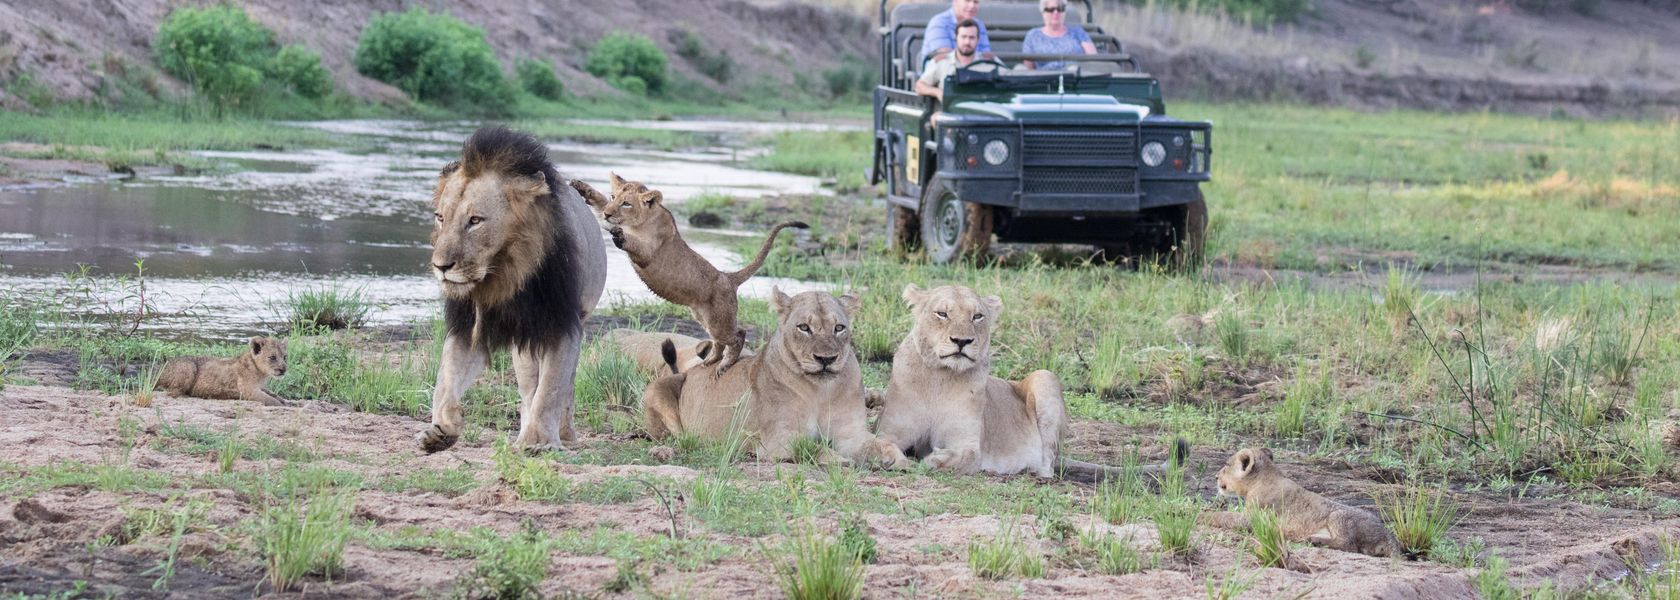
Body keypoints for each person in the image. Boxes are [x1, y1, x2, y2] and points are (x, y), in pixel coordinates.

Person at [915, 19, 980, 102]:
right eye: (963, 37)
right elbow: (919, 86)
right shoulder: (942, 61)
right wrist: (938, 92)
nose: (967, 42)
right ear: (956, 37)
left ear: (978, 40)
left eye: (972, 38)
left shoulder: (989, 63)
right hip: (948, 111)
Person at [1021, 0, 1096, 70]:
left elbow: (1095, 60)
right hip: (1045, 80)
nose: (1056, 12)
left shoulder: (1078, 32)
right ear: (1043, 12)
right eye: (1051, 9)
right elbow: (1028, 69)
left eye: (1060, 9)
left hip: (1075, 78)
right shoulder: (1033, 35)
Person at [921, 0, 990, 65]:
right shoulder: (939, 22)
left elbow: (986, 56)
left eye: (976, 2)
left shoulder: (979, 25)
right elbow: (945, 58)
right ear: (955, 1)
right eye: (967, 1)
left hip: (974, 73)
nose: (972, 5)